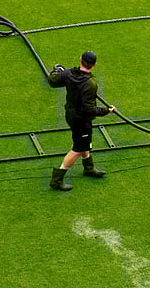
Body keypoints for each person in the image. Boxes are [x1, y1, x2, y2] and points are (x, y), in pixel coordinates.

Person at [47, 50, 116, 191]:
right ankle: (57, 179)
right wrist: (106, 111)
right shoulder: (90, 84)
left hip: (70, 114)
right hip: (81, 119)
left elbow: (53, 81)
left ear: (80, 60)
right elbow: (88, 109)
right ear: (94, 64)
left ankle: (89, 168)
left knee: (84, 142)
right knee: (78, 149)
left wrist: (57, 71)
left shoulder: (69, 73)